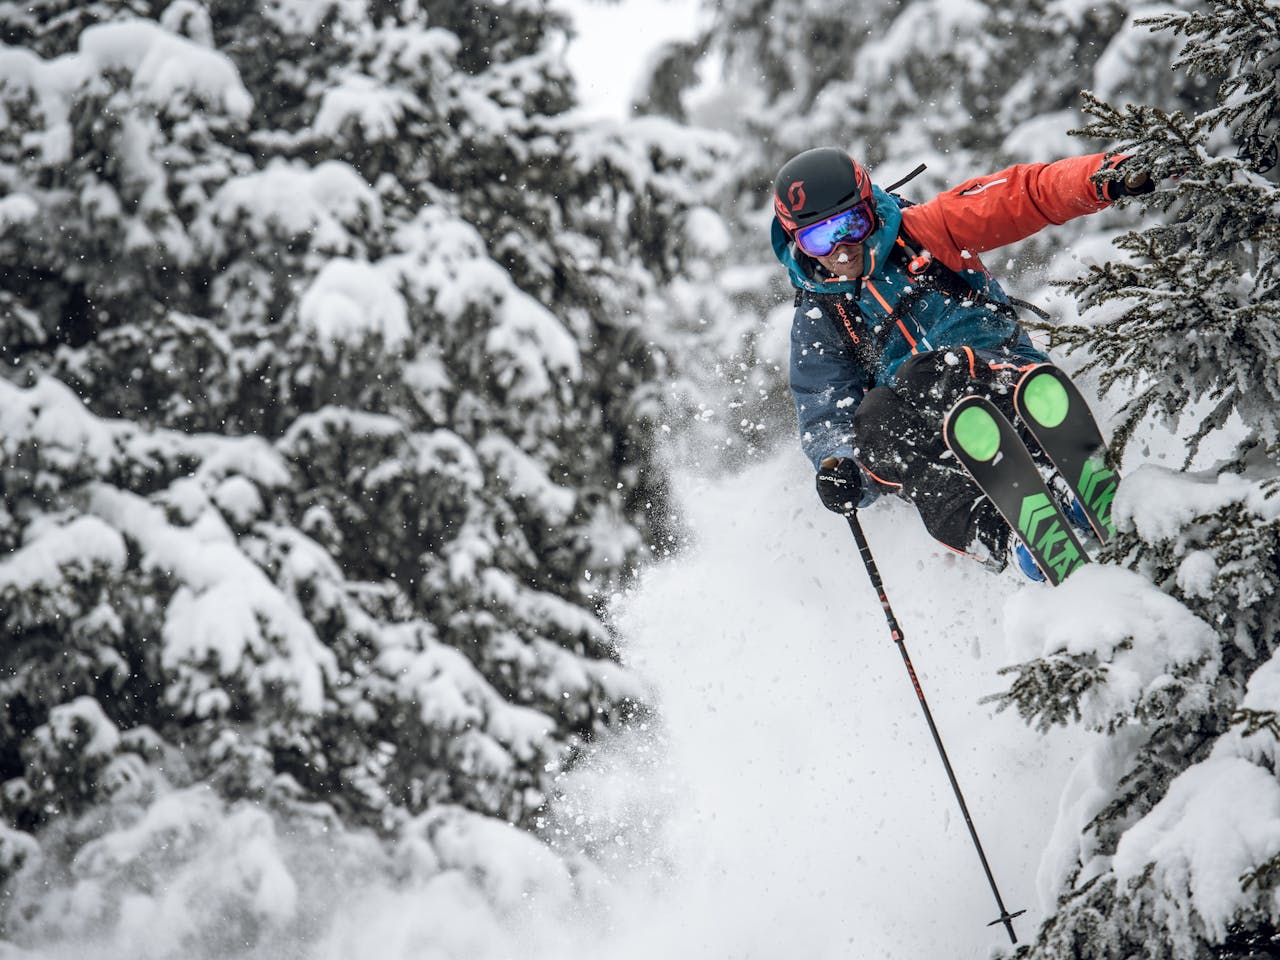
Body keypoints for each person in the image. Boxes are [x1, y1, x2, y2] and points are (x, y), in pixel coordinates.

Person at [772, 148, 1152, 579]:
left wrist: (1103, 177)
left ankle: (1066, 481)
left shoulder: (926, 230)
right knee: (876, 418)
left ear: (870, 210)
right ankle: (1008, 538)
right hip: (936, 440)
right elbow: (823, 408)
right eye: (820, 240)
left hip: (998, 377)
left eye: (851, 226)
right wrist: (840, 466)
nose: (841, 251)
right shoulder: (822, 316)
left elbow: (1021, 195)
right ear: (796, 241)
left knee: (923, 373)